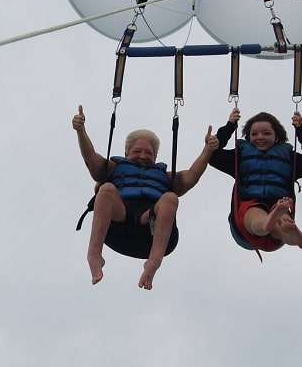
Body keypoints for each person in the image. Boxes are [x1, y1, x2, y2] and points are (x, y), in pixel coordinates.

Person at [72, 104, 219, 290]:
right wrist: (81, 131)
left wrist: (207, 150)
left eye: (149, 153)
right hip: (119, 219)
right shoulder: (113, 168)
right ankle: (94, 256)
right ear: (126, 154)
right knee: (106, 189)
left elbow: (191, 176)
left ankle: (153, 264)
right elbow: (90, 158)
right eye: (137, 151)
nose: (143, 156)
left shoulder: (166, 177)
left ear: (155, 157)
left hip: (149, 224)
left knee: (170, 198)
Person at [209, 108, 302, 252]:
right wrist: (230, 126)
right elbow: (212, 155)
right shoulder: (240, 157)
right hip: (248, 217)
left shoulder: (289, 158)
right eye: (254, 134)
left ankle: (290, 234)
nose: (260, 137)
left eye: (266, 133)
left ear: (276, 137)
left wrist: (301, 130)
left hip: (278, 205)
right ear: (248, 137)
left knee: (280, 220)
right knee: (259, 214)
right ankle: (270, 224)